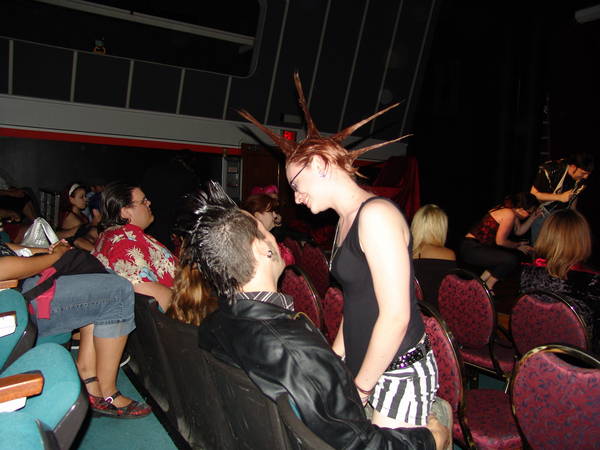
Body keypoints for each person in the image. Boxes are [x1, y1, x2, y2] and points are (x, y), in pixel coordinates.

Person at [183, 181, 449, 449]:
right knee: (441, 411)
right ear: (263, 250)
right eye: (264, 232)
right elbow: (359, 443)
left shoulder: (212, 325)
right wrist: (429, 441)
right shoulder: (295, 351)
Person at [238, 73, 438, 429]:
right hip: (366, 363)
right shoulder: (346, 221)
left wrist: (361, 388)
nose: (296, 197)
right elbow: (357, 301)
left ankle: (438, 427)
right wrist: (336, 357)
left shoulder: (376, 215)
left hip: (399, 369)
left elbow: (396, 316)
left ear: (319, 165)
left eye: (296, 184)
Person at [0, 239, 151, 418]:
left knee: (101, 276)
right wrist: (56, 256)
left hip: (19, 288)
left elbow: (7, 248)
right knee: (118, 291)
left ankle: (88, 374)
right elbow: (4, 269)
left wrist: (51, 250)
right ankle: (108, 392)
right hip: (13, 307)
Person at [520, 209, 600, 355]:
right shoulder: (592, 281)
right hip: (577, 357)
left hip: (533, 350)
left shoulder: (528, 272)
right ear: (583, 239)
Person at [92, 181, 177, 311]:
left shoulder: (112, 235)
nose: (149, 203)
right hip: (177, 314)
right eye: (143, 201)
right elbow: (145, 292)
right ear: (125, 212)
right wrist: (191, 300)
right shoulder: (124, 243)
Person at [529, 152, 594, 243]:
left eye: (588, 174)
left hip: (561, 217)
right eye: (583, 173)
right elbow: (533, 194)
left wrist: (572, 215)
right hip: (543, 213)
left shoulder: (582, 180)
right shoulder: (551, 169)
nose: (586, 177)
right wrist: (559, 197)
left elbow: (574, 197)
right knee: (540, 245)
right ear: (573, 167)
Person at [411, 205, 456, 307]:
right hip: (437, 313)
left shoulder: (404, 253)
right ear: (441, 228)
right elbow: (450, 293)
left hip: (411, 311)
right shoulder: (448, 254)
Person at [241, 194, 294, 265]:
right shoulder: (258, 245)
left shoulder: (257, 238)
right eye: (271, 212)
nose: (275, 216)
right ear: (258, 216)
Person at [57, 183, 100, 251]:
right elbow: (79, 233)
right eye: (81, 197)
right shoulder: (69, 216)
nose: (85, 199)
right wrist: (94, 221)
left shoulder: (82, 216)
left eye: (85, 196)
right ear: (71, 199)